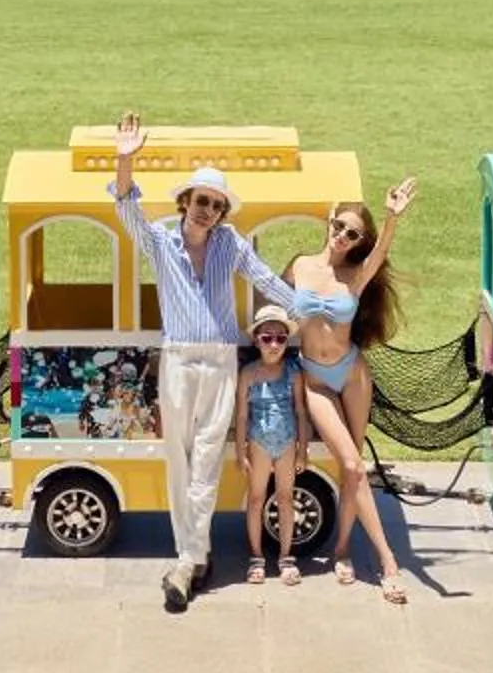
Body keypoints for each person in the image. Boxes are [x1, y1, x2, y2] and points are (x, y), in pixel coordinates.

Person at [110, 112, 309, 611]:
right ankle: (193, 556)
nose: (208, 212)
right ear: (186, 202)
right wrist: (125, 159)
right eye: (202, 202)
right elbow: (125, 208)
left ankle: (186, 563)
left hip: (219, 361)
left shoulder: (230, 244)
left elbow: (267, 281)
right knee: (178, 460)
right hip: (178, 359)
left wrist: (312, 312)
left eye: (217, 206)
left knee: (206, 461)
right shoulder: (160, 238)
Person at [286, 180, 417, 602]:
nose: (342, 235)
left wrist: (393, 216)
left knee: (351, 468)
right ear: (329, 220)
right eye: (340, 225)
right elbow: (265, 300)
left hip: (353, 371)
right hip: (317, 379)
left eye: (353, 233)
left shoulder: (355, 275)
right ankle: (388, 561)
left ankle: (342, 550)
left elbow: (380, 257)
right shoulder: (299, 266)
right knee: (356, 467)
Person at [237, 305, 308, 587]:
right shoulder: (249, 374)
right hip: (259, 441)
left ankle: (286, 556)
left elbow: (301, 411)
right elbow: (242, 414)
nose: (274, 344)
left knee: (285, 498)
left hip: (287, 441)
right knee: (255, 498)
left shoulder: (293, 372)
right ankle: (256, 558)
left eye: (280, 338)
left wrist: (303, 448)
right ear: (256, 340)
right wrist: (241, 451)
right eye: (267, 338)